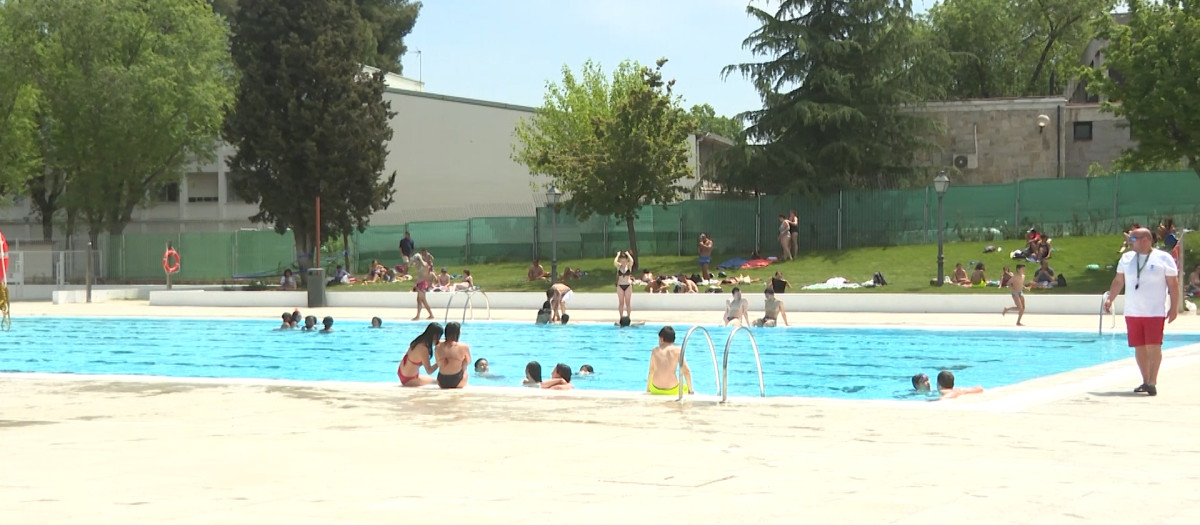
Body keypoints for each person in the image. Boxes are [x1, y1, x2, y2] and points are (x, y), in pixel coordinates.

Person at [1104, 227, 1180, 397]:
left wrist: (1174, 307)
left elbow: (1173, 285)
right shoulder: (1126, 258)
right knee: (1139, 346)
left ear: (1145, 240)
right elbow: (1118, 281)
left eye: (1132, 239)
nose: (1129, 242)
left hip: (1154, 311)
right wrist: (1111, 298)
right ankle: (1145, 380)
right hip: (1133, 311)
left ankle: (1153, 381)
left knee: (1154, 346)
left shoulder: (1163, 258)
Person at [646, 326, 693, 396]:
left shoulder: (655, 350)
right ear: (673, 340)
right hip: (672, 389)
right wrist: (691, 390)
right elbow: (686, 371)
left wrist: (648, 389)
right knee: (685, 387)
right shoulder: (678, 350)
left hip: (656, 388)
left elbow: (651, 371)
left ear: (661, 338)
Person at [397, 322, 441, 387]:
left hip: (402, 372)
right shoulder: (423, 348)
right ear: (435, 336)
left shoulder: (419, 340)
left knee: (433, 380)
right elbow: (429, 371)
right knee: (437, 382)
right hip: (409, 379)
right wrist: (440, 362)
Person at [434, 322, 471, 389]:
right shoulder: (463, 346)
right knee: (464, 361)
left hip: (441, 381)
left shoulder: (438, 346)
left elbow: (438, 363)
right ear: (458, 333)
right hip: (458, 381)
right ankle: (463, 380)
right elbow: (468, 361)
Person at [410, 253, 434, 321]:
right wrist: (413, 259)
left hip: (422, 284)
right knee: (423, 300)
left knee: (419, 300)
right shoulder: (419, 266)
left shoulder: (426, 265)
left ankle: (418, 316)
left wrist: (419, 258)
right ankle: (431, 314)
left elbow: (424, 264)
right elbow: (410, 265)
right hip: (419, 284)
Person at [614, 250, 634, 322]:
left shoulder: (629, 265)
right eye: (621, 260)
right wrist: (618, 255)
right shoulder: (619, 266)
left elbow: (632, 261)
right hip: (620, 285)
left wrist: (628, 254)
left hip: (628, 285)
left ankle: (628, 318)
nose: (623, 262)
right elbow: (614, 262)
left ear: (626, 260)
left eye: (624, 260)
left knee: (628, 302)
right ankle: (621, 318)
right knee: (621, 302)